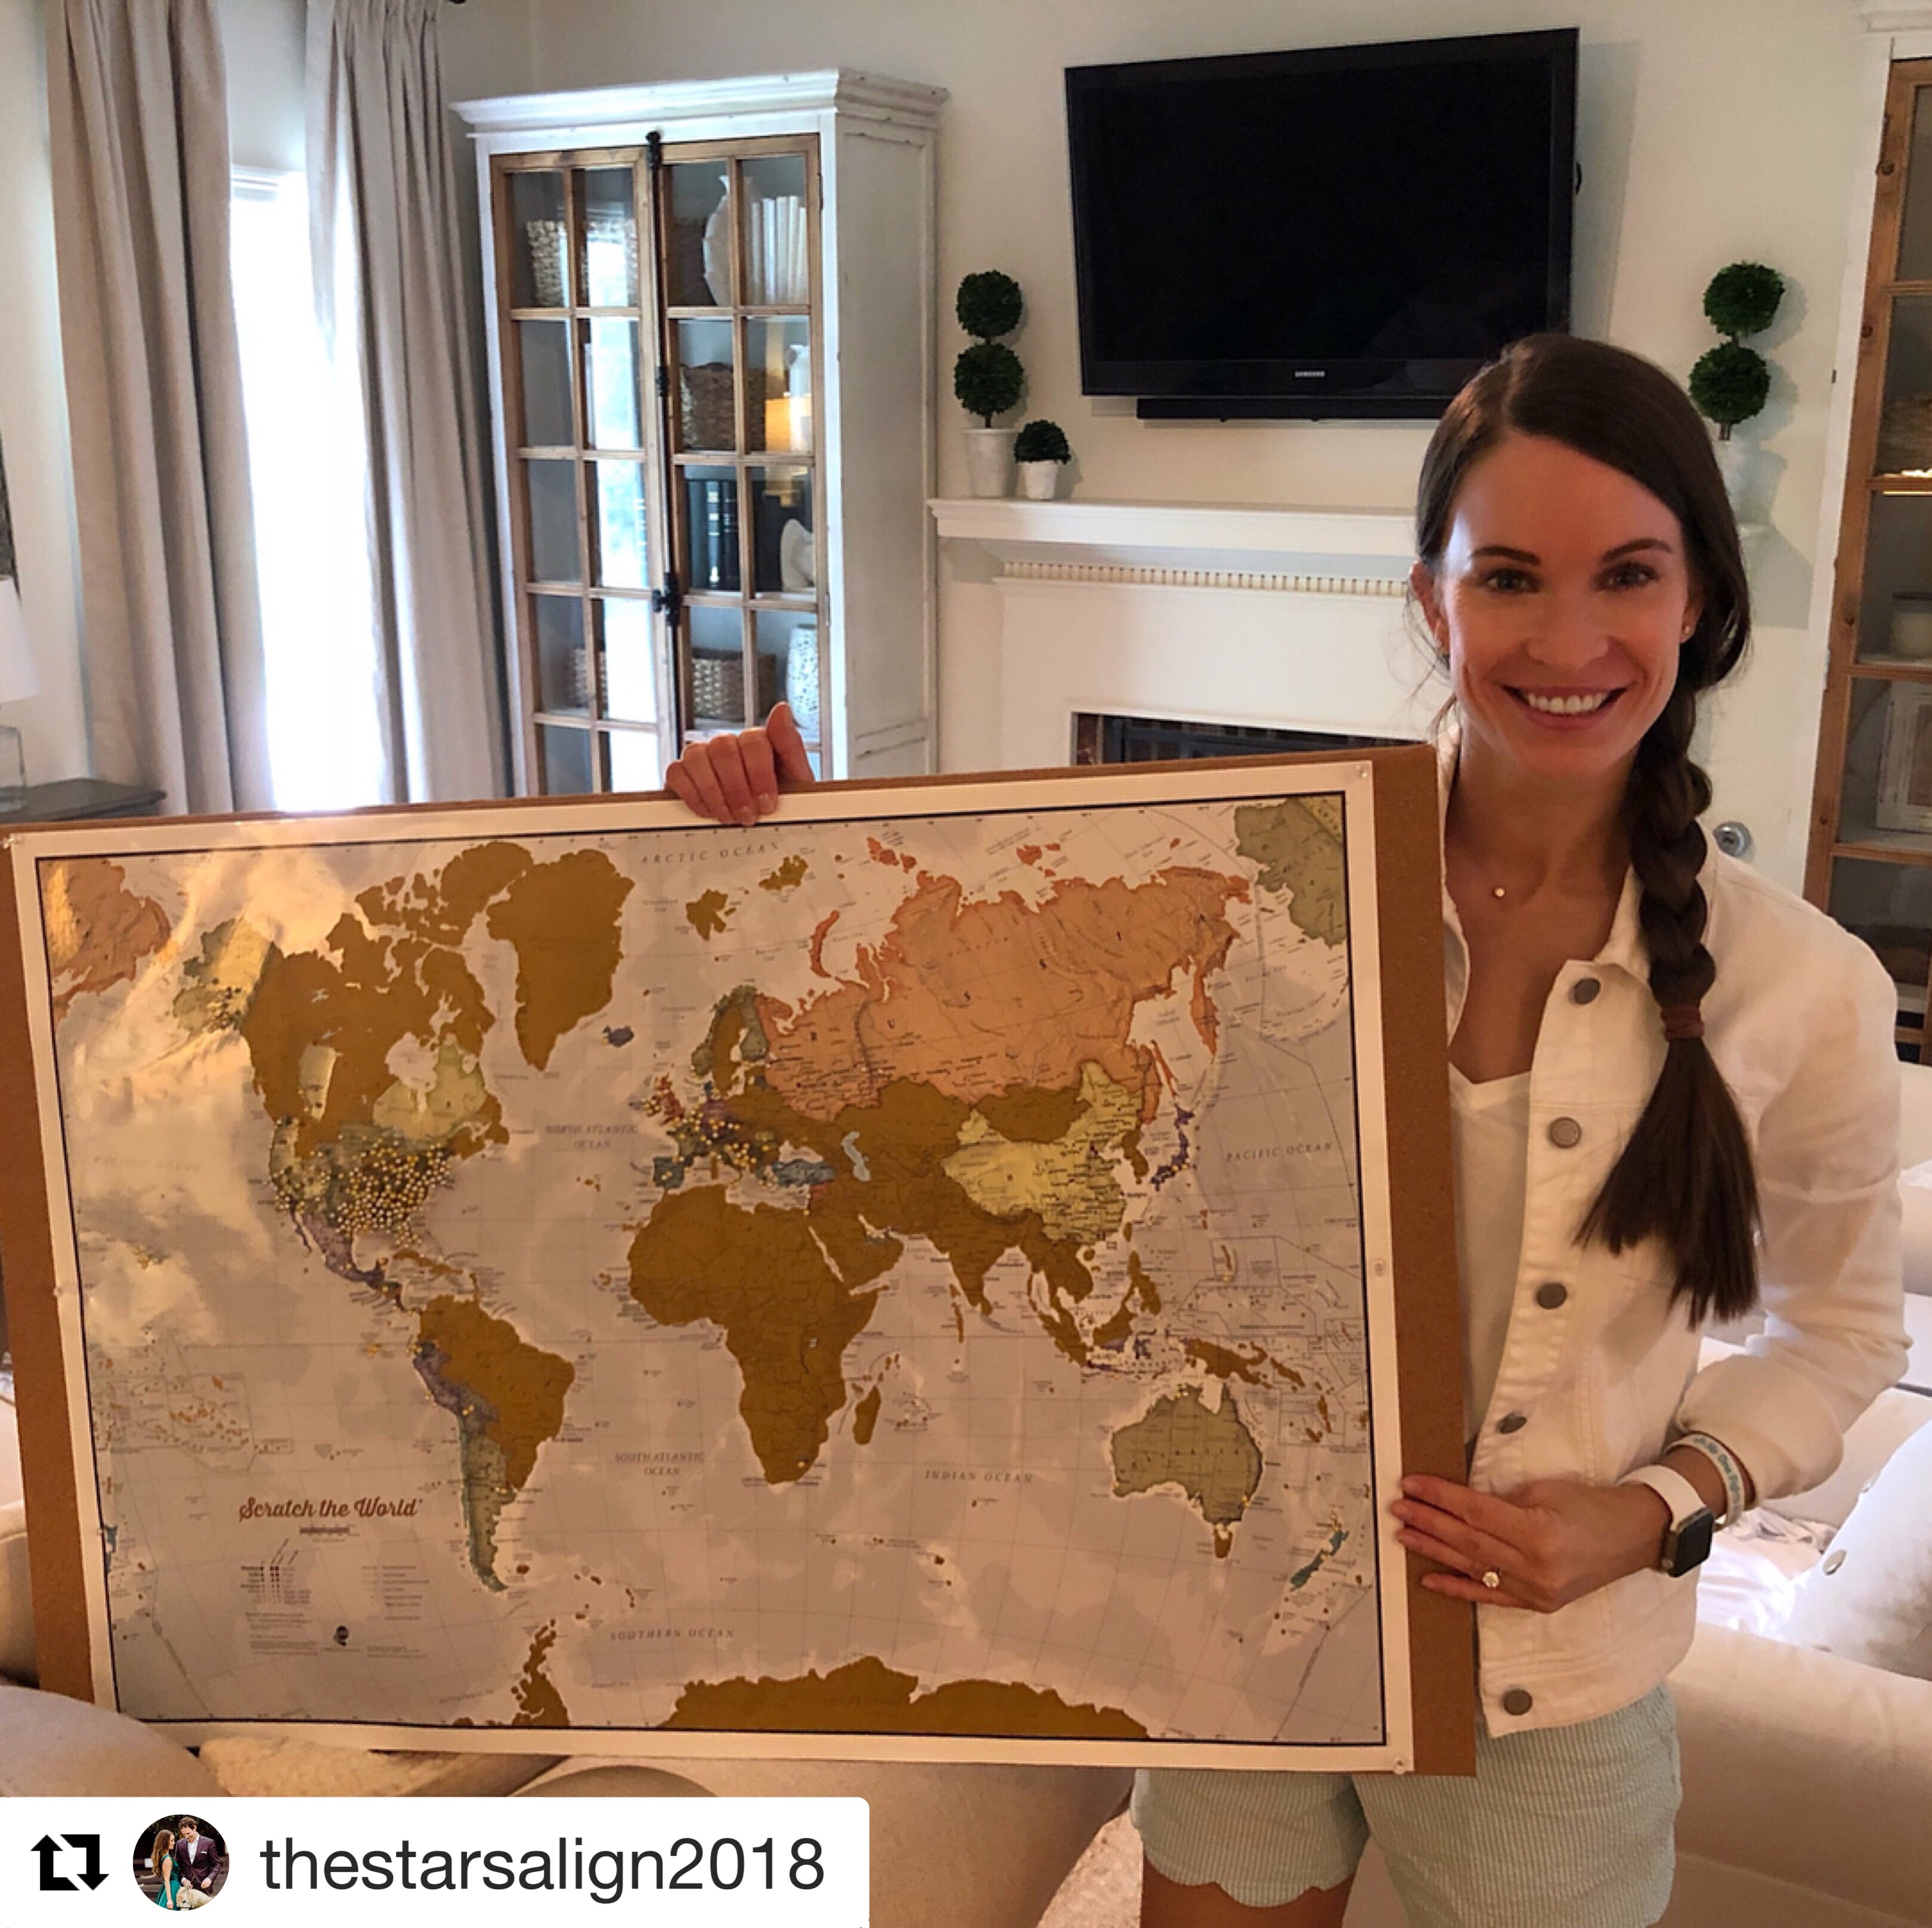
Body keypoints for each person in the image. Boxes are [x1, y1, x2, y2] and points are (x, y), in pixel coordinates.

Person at [665, 333, 1909, 1928]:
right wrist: (775, 855)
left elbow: (1840, 1331)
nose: (1568, 638)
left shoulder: (1802, 986)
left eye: (1627, 575)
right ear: (1430, 600)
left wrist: (1657, 1506)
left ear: (1697, 601)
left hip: (1548, 1691)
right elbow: (965, 1088)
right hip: (1244, 1626)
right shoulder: (1246, 884)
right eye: (1509, 578)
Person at [171, 1818, 215, 1907]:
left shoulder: (209, 1842)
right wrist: (183, 1880)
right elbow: (177, 1866)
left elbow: (216, 1865)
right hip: (186, 1891)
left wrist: (209, 1879)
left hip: (203, 1888)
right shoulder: (179, 1844)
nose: (186, 1837)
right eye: (184, 1834)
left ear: (195, 1828)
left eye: (188, 1833)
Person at [148, 1828, 179, 1910]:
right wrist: (169, 1900)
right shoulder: (167, 1858)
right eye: (172, 1841)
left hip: (174, 1886)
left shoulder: (166, 1856)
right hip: (172, 1888)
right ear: (165, 1842)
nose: (174, 1843)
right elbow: (167, 1880)